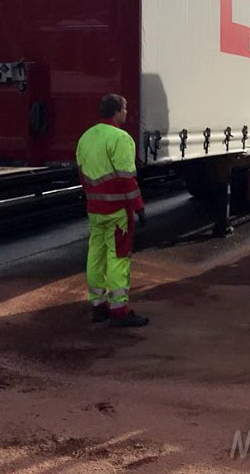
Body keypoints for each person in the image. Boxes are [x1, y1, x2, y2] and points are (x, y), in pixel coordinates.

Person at [75, 93, 149, 327]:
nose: (127, 113)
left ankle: (98, 305)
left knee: (95, 256)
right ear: (116, 112)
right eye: (125, 109)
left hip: (94, 208)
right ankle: (120, 311)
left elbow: (82, 172)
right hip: (118, 212)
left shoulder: (86, 137)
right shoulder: (121, 138)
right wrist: (139, 208)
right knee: (118, 258)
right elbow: (128, 180)